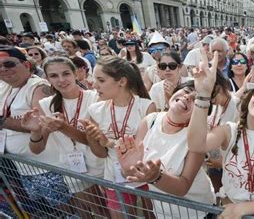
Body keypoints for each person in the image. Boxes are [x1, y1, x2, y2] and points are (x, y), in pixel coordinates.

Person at [187, 50, 254, 218]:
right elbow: (196, 145)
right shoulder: (229, 131)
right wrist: (203, 95)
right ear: (250, 97)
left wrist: (241, 209)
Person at [114, 80, 215, 218]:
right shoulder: (150, 121)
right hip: (162, 211)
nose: (187, 97)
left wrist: (156, 177)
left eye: (194, 100)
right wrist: (128, 169)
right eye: (186, 91)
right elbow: (134, 173)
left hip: (196, 212)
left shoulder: (196, 138)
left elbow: (183, 187)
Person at [21, 57, 107, 217]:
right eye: (53, 76)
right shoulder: (47, 104)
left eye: (66, 73)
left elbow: (96, 142)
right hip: (73, 167)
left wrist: (64, 127)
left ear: (75, 73)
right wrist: (35, 131)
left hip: (101, 165)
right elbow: (37, 149)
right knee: (87, 211)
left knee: (107, 212)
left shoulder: (95, 98)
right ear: (47, 79)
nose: (61, 80)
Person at [0, 46, 72, 215]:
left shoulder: (39, 87)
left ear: (26, 65)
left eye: (9, 64)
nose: (3, 69)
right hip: (24, 168)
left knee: (69, 210)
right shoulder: (6, 86)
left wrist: (2, 121)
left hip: (48, 167)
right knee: (52, 211)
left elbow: (38, 123)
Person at [81, 56, 156, 218]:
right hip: (114, 177)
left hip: (145, 175)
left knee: (152, 215)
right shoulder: (95, 109)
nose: (95, 85)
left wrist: (109, 142)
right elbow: (100, 153)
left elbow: (147, 148)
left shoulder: (146, 106)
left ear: (121, 81)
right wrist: (93, 138)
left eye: (101, 80)